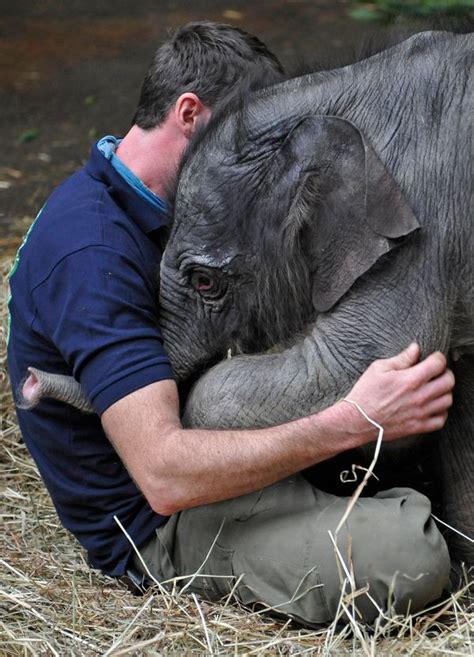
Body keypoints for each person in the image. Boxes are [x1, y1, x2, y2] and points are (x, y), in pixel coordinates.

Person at [7, 22, 454, 626]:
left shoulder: (164, 208)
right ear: (189, 114)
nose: (258, 152)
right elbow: (163, 474)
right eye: (242, 133)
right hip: (167, 524)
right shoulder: (90, 254)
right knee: (413, 556)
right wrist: (354, 421)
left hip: (231, 458)